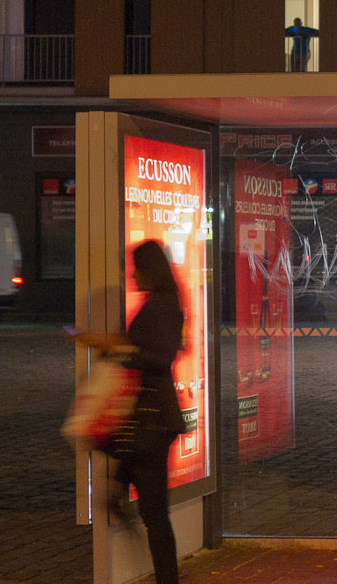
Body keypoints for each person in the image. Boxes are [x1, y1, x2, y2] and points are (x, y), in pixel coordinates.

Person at [73, 240, 188, 584]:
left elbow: (162, 355)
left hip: (151, 422)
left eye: (135, 268)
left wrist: (124, 351)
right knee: (125, 495)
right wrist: (110, 344)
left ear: (150, 270)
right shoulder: (157, 303)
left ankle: (167, 578)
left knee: (153, 514)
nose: (132, 274)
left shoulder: (164, 305)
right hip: (142, 421)